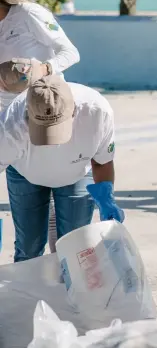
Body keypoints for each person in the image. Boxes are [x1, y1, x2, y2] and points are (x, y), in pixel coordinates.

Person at [0, 71, 124, 262]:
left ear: (73, 110)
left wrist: (106, 197)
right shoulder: (9, 125)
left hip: (77, 174)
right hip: (25, 174)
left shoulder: (98, 112)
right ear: (27, 113)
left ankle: (70, 291)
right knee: (28, 248)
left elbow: (102, 161)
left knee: (76, 248)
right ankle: (30, 290)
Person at [0, 0, 81, 253]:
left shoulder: (27, 14)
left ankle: (64, 285)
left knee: (61, 231)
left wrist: (42, 69)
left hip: (45, 118)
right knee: (28, 237)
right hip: (8, 129)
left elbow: (70, 53)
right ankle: (27, 291)